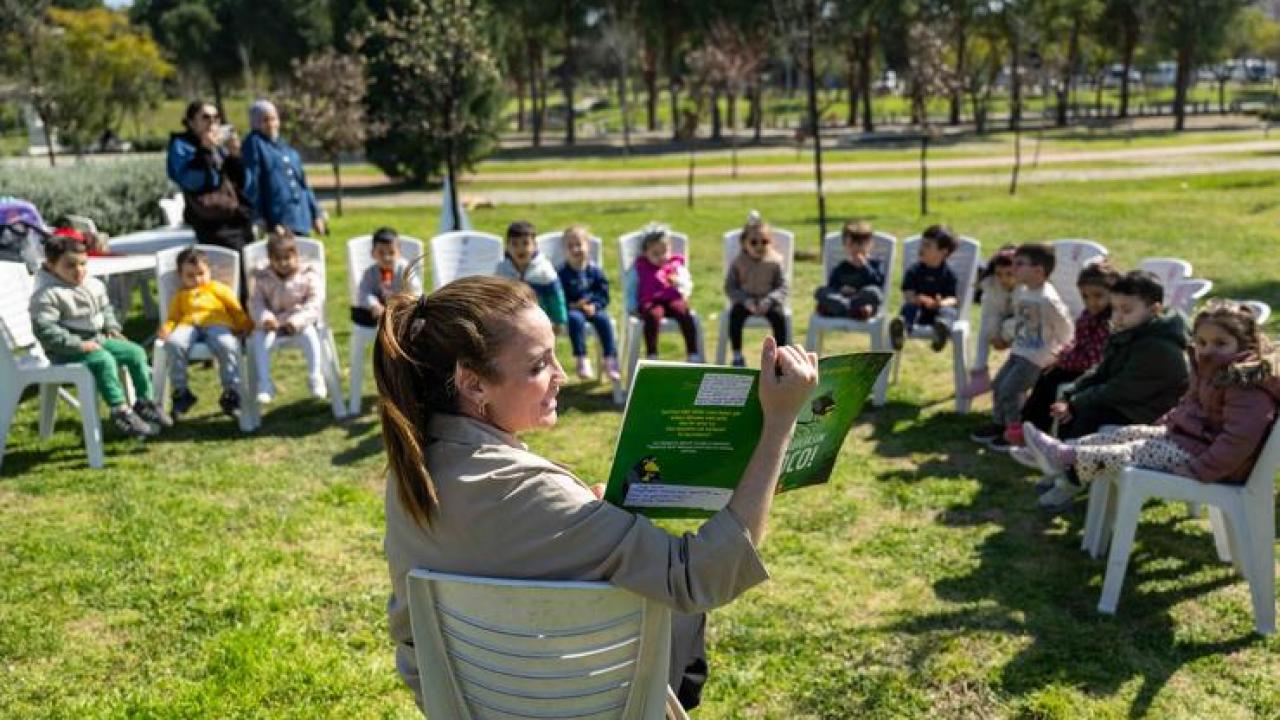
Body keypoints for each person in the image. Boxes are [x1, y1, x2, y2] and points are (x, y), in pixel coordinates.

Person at [376, 275, 819, 712]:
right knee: (680, 614)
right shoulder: (533, 492)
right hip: (583, 702)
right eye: (538, 365)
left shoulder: (409, 475)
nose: (562, 376)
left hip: (469, 701)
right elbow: (699, 576)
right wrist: (779, 424)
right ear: (473, 384)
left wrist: (591, 522)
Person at [1024, 300, 1280, 513]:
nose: (1208, 350)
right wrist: (1161, 427)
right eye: (1202, 343)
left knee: (1133, 450)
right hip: (1191, 441)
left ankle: (1065, 459)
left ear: (1246, 345)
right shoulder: (1210, 370)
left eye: (1220, 343)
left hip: (1209, 462)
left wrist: (1201, 469)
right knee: (1125, 433)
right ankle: (1066, 451)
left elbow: (1239, 440)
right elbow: (1187, 405)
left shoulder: (1246, 384)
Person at [29, 234, 169, 437]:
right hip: (64, 351)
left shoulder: (92, 284)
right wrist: (78, 345)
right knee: (103, 360)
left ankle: (144, 402)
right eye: (70, 265)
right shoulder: (46, 295)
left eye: (83, 264)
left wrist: (111, 326)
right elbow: (45, 330)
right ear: (50, 265)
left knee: (136, 352)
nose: (79, 270)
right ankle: (120, 411)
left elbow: (105, 309)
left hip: (97, 340)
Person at [1048, 270, 1190, 441]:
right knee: (1071, 399)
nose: (1118, 316)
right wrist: (1070, 394)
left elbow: (1121, 389)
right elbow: (1101, 372)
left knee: (1089, 412)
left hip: (1150, 412)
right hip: (1129, 403)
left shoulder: (1158, 346)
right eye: (1114, 308)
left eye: (1127, 310)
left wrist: (1076, 402)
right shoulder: (1128, 333)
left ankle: (1070, 459)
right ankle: (1060, 452)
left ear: (1154, 309)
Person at [970, 243, 1074, 451]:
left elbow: (1064, 325)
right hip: (1020, 350)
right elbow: (1020, 321)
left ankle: (1015, 432)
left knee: (1011, 389)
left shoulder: (1047, 298)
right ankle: (999, 424)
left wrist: (1062, 349)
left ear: (1038, 271)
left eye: (1019, 264)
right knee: (999, 385)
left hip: (1036, 356)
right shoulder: (1024, 291)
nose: (1014, 267)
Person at [1019, 262, 1121, 433]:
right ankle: (1028, 425)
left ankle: (1037, 428)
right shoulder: (1089, 315)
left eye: (1098, 296)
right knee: (1046, 376)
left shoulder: (1109, 322)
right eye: (1085, 297)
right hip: (1078, 364)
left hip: (1096, 372)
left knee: (1053, 381)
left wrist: (1064, 361)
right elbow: (1078, 341)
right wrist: (1063, 353)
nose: (1092, 302)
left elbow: (1093, 359)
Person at [159, 247, 254, 420]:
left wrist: (244, 324)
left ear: (209, 271)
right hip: (188, 326)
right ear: (180, 276)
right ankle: (181, 392)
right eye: (190, 276)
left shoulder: (218, 289)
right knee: (174, 343)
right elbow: (173, 318)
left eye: (201, 274)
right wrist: (167, 328)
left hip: (216, 324)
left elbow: (235, 309)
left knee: (227, 344)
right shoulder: (180, 296)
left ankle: (232, 392)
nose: (197, 280)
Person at [165, 100, 254, 259]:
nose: (212, 122)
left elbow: (243, 182)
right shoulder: (181, 145)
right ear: (191, 122)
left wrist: (235, 156)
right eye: (206, 117)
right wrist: (205, 151)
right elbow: (193, 181)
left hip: (236, 217)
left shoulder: (220, 145)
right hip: (210, 221)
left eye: (216, 117)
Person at [248, 231, 325, 405]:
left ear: (296, 256)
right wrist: (265, 318)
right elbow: (255, 303)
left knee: (310, 337)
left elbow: (315, 302)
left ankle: (315, 376)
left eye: (287, 258)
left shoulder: (308, 275)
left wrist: (297, 321)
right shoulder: (261, 277)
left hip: (299, 323)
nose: (283, 263)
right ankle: (265, 383)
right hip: (272, 324)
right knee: (259, 340)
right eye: (278, 259)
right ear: (270, 259)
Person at [240, 100, 327, 238]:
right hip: (277, 221)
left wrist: (316, 214)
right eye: (265, 120)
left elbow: (304, 185)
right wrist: (259, 217)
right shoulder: (254, 144)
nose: (271, 124)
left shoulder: (286, 148)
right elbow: (253, 184)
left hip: (300, 218)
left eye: (273, 119)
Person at [555, 225, 620, 381]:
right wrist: (572, 305)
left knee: (604, 320)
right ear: (564, 250)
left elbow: (603, 294)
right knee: (575, 320)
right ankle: (581, 358)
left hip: (593, 308)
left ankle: (609, 359)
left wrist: (595, 305)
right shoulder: (562, 273)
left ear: (588, 246)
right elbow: (558, 295)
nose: (576, 249)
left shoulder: (595, 271)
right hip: (573, 309)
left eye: (579, 245)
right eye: (570, 246)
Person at [724, 211, 789, 367]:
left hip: (768, 301)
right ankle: (737, 355)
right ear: (744, 243)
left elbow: (783, 286)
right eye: (754, 242)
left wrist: (770, 300)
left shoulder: (775, 261)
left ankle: (779, 355)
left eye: (764, 241)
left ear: (770, 242)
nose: (760, 246)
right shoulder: (738, 262)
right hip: (746, 301)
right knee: (735, 316)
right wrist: (745, 301)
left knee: (779, 318)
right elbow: (730, 287)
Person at [628, 226, 700, 362]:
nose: (661, 257)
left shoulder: (674, 265)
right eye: (655, 254)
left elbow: (686, 283)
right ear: (645, 253)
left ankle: (692, 352)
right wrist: (632, 307)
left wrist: (680, 284)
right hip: (651, 301)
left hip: (672, 298)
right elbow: (631, 288)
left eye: (664, 252)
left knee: (684, 313)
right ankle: (652, 354)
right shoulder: (641, 267)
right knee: (652, 316)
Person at [889, 224, 959, 352]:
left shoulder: (948, 274)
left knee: (949, 312)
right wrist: (919, 299)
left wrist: (941, 303)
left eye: (927, 246)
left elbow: (953, 299)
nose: (921, 248)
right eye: (922, 244)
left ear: (943, 252)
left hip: (938, 312)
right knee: (908, 308)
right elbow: (907, 294)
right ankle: (901, 330)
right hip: (919, 311)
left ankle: (941, 332)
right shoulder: (914, 271)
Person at [965, 245, 1017, 397]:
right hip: (1001, 322)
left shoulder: (1028, 288)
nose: (1004, 279)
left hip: (1026, 330)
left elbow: (1027, 318)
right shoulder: (991, 286)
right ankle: (980, 372)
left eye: (1009, 274)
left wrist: (1005, 336)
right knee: (984, 328)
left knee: (1018, 329)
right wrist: (995, 336)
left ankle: (1016, 377)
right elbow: (990, 315)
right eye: (999, 274)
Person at [495, 220, 568, 327]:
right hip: (511, 322)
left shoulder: (544, 271)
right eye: (514, 244)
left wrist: (558, 321)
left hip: (540, 322)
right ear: (507, 246)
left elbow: (556, 298)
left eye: (525, 243)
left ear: (535, 245)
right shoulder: (502, 270)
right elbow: (496, 298)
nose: (520, 248)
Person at [813, 220, 885, 321]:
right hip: (843, 299)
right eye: (851, 244)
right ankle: (852, 311)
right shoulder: (842, 267)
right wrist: (841, 290)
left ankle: (838, 310)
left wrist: (865, 267)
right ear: (845, 246)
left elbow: (878, 283)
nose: (856, 248)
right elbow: (832, 285)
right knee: (820, 292)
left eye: (860, 244)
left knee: (874, 293)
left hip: (862, 300)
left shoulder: (875, 264)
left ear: (870, 244)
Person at [352, 227, 422, 330]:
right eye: (381, 253)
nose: (386, 258)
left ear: (399, 253)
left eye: (391, 253)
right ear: (373, 253)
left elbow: (415, 289)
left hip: (402, 312)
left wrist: (404, 302)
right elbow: (363, 293)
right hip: (379, 314)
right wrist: (374, 304)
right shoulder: (370, 273)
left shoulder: (405, 270)